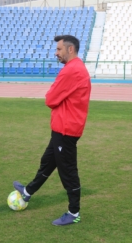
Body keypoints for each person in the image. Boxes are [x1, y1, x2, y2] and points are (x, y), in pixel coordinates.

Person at [13, 35, 91, 226]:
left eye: (59, 49)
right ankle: (28, 192)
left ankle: (74, 213)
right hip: (62, 127)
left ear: (70, 50)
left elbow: (50, 99)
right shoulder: (74, 67)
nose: (56, 53)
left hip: (66, 129)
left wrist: (54, 98)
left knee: (68, 171)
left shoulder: (71, 70)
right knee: (48, 162)